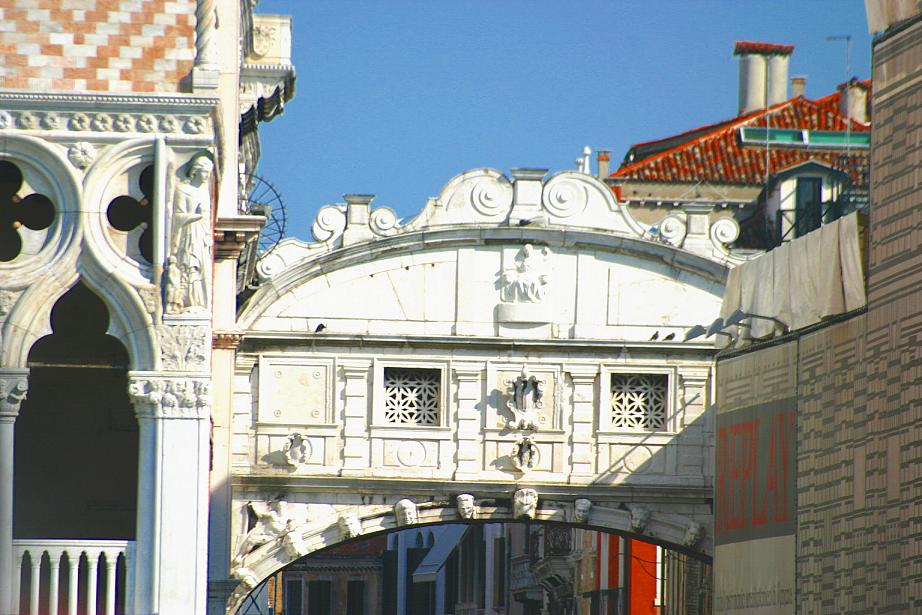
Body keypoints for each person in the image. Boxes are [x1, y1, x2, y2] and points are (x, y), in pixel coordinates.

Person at [167, 154, 213, 313]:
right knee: (189, 265)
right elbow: (177, 217)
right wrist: (197, 215)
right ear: (195, 171)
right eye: (204, 172)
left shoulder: (205, 193)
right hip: (188, 234)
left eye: (209, 173)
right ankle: (186, 299)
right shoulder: (183, 190)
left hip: (202, 236)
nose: (207, 176)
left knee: (200, 267)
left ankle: (197, 300)